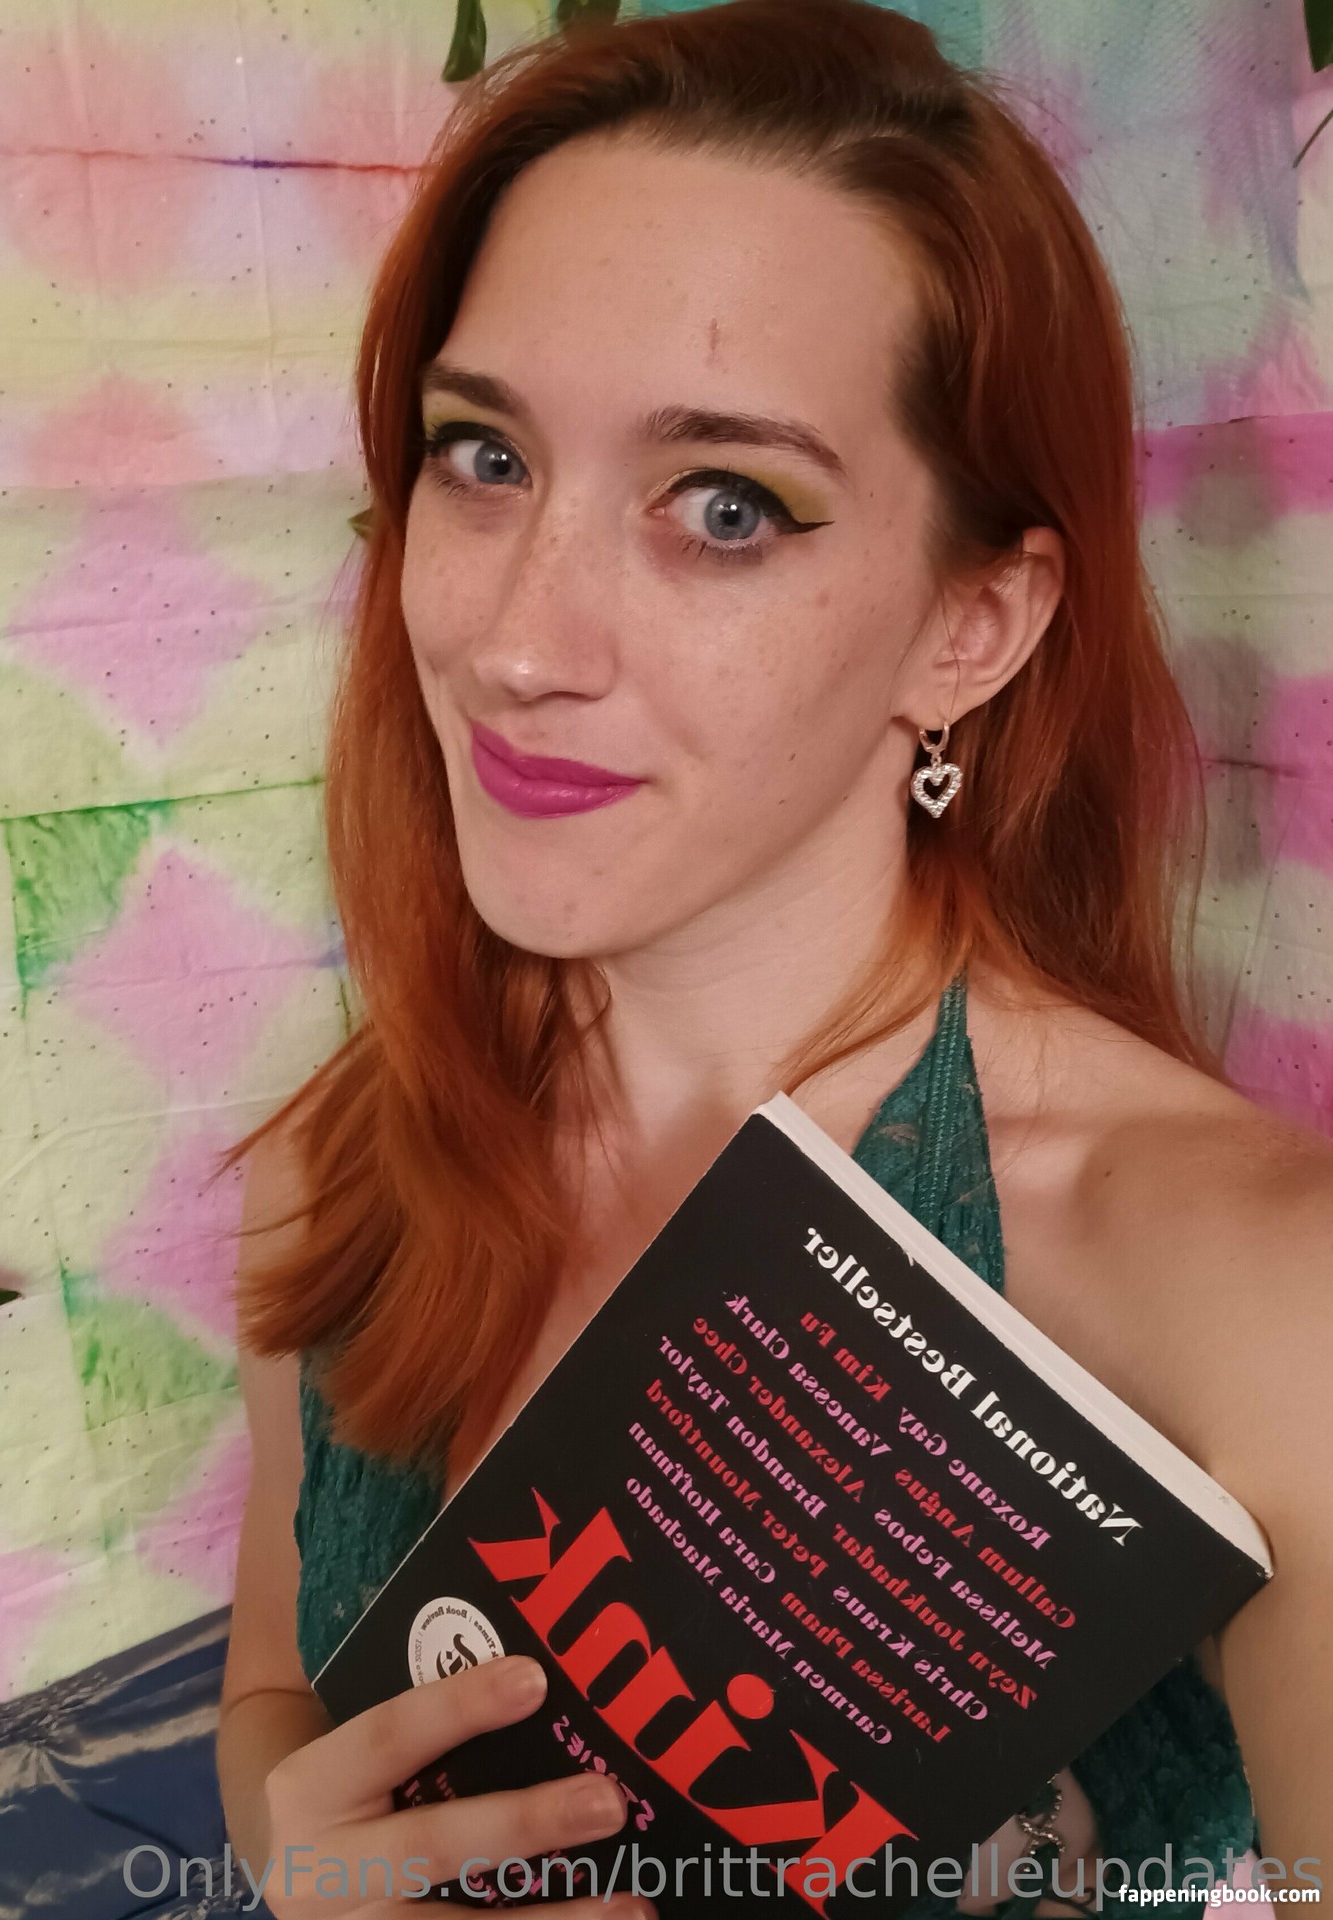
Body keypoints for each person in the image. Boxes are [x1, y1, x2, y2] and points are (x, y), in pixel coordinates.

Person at [212, 3, 1333, 1914]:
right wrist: (295, 1857)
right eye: (484, 455)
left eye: (725, 507)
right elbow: (275, 1691)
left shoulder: (1256, 1307)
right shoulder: (346, 1164)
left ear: (974, 625)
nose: (516, 643)